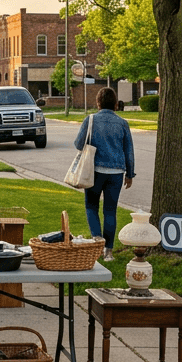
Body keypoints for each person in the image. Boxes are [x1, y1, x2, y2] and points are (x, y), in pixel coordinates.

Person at [73, 87, 135, 262]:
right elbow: (128, 151)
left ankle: (96, 238)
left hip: (94, 171)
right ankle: (108, 251)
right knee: (110, 211)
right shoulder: (123, 123)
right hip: (116, 173)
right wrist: (129, 174)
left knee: (91, 206)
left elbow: (78, 144)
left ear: (98, 103)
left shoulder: (90, 120)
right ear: (116, 104)